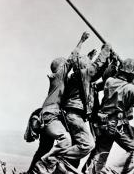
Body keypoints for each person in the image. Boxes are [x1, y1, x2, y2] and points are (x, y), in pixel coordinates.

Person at [86, 58, 134, 174]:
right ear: (131, 74)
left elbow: (124, 97)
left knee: (101, 151)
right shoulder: (131, 89)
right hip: (117, 125)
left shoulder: (109, 82)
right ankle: (110, 172)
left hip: (103, 123)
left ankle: (90, 172)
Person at [28, 32, 90, 174]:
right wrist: (81, 41)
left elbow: (78, 68)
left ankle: (31, 172)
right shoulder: (58, 76)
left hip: (48, 115)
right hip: (51, 115)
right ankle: (45, 167)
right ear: (60, 67)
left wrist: (89, 58)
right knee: (66, 140)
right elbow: (72, 59)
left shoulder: (60, 81)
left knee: (44, 148)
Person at [57, 36, 112, 170]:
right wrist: (105, 50)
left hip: (77, 116)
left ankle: (62, 168)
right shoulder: (80, 75)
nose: (90, 64)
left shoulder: (83, 80)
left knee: (77, 152)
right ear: (83, 66)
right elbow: (95, 68)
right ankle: (56, 158)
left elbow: (99, 77)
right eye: (88, 63)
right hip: (74, 115)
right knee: (88, 144)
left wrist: (111, 63)